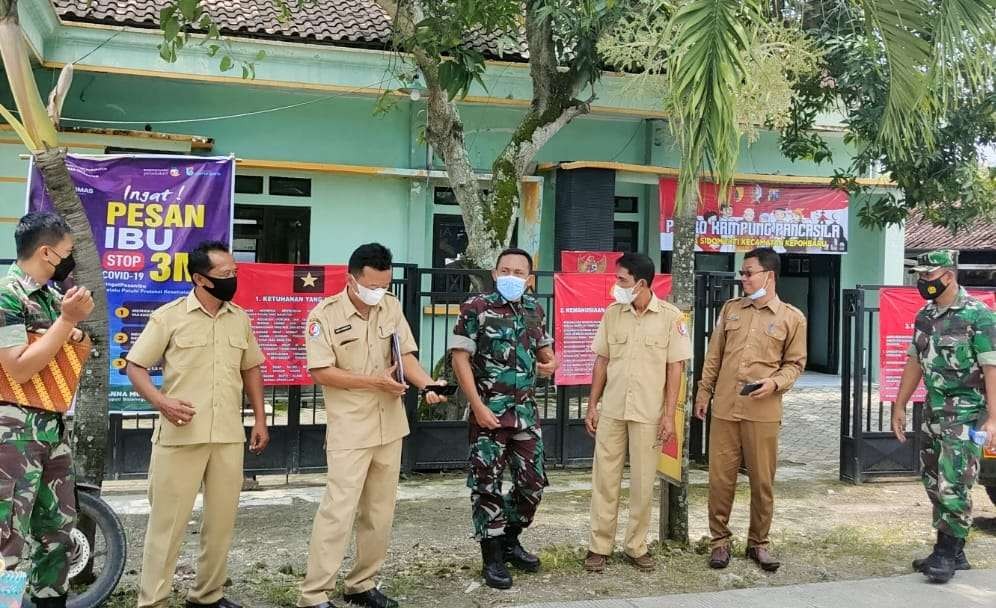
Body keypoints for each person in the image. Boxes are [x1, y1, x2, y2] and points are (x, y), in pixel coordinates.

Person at [297, 243, 445, 608]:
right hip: (351, 428)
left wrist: (427, 384)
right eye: (373, 285)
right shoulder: (324, 315)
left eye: (385, 285)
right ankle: (314, 595)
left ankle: (362, 584)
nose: (379, 292)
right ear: (351, 279)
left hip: (389, 425)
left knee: (379, 513)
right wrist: (373, 382)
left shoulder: (390, 306)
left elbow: (405, 355)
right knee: (338, 511)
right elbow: (320, 371)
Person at [127, 241, 270, 608]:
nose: (232, 279)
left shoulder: (239, 317)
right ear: (199, 279)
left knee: (221, 524)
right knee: (167, 527)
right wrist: (162, 402)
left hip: (226, 436)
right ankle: (153, 601)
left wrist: (259, 418)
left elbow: (251, 368)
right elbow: (135, 365)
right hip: (180, 436)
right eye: (224, 275)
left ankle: (207, 595)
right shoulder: (169, 317)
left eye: (234, 272)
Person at [450, 248, 558, 590]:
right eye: (505, 270)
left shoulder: (533, 309)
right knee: (487, 486)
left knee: (533, 484)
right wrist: (477, 406)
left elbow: (545, 351)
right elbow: (459, 359)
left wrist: (549, 363)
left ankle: (510, 538)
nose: (511, 276)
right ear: (495, 274)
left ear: (529, 280)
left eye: (519, 272)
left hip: (525, 415)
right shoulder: (476, 307)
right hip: (489, 415)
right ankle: (492, 557)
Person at [0, 212, 93, 607]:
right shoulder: (7, 295)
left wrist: (70, 327)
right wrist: (66, 323)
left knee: (56, 529)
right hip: (14, 431)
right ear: (45, 251)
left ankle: (51, 600)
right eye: (66, 253)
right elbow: (19, 367)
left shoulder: (53, 298)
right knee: (9, 538)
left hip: (53, 427)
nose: (69, 261)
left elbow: (67, 349)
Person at [694, 247, 806, 572]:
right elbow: (714, 356)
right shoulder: (731, 309)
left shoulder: (791, 317)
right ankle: (719, 542)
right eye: (742, 273)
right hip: (726, 407)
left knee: (762, 482)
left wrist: (775, 383)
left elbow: (795, 364)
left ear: (768, 276)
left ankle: (758, 543)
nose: (742, 278)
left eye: (748, 272)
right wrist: (704, 392)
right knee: (720, 479)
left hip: (763, 409)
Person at [890, 249, 996, 584]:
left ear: (948, 275)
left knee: (955, 482)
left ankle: (946, 552)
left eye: (928, 276)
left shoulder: (978, 315)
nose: (923, 282)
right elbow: (914, 361)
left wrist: (993, 418)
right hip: (934, 412)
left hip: (965, 414)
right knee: (932, 479)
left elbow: (992, 367)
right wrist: (899, 404)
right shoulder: (925, 314)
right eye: (919, 276)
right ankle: (955, 549)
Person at [583, 253, 691, 573]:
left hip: (649, 413)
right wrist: (592, 404)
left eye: (622, 280)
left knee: (643, 482)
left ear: (640, 283)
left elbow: (676, 370)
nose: (617, 285)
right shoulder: (612, 314)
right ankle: (599, 547)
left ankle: (635, 546)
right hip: (613, 409)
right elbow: (601, 361)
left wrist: (669, 415)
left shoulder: (671, 318)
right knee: (605, 478)